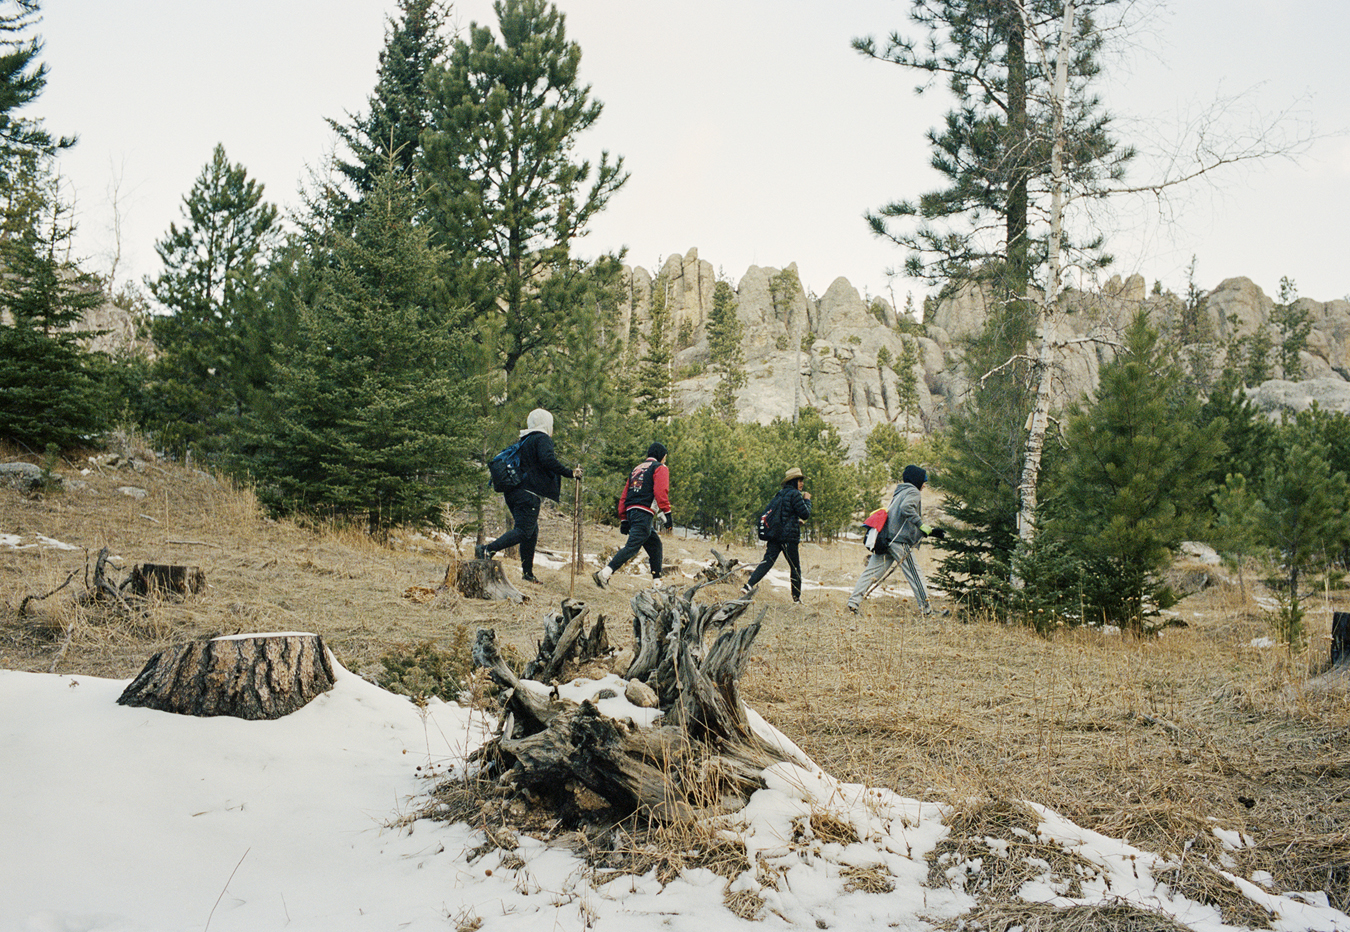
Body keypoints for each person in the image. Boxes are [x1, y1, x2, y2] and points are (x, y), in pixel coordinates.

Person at [476, 408, 581, 583]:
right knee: (524, 531)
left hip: (513, 491)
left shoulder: (525, 440)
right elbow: (548, 460)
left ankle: (527, 573)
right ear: (546, 424)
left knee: (530, 532)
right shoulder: (542, 438)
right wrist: (570, 473)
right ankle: (487, 549)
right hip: (528, 493)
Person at [846, 464, 946, 616]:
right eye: (923, 481)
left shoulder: (900, 492)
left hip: (886, 539)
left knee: (871, 573)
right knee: (915, 575)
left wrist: (930, 532)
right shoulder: (913, 492)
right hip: (899, 541)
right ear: (916, 480)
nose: (924, 485)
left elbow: (900, 518)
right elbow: (907, 509)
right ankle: (927, 612)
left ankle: (853, 605)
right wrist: (922, 525)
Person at [593, 442, 671, 588]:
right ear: (661, 456)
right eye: (665, 457)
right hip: (644, 513)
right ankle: (604, 574)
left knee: (655, 545)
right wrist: (668, 513)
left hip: (632, 511)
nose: (665, 460)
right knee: (632, 547)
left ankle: (657, 584)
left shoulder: (636, 469)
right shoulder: (660, 468)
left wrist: (623, 518)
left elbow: (624, 496)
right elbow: (661, 492)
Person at [742, 467, 813, 602]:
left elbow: (784, 515)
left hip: (775, 536)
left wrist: (795, 522)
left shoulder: (780, 494)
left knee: (767, 562)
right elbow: (805, 513)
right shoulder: (795, 494)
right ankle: (796, 599)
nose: (802, 483)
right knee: (795, 568)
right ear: (793, 481)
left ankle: (748, 585)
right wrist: (807, 500)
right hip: (788, 538)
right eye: (800, 480)